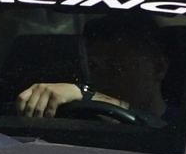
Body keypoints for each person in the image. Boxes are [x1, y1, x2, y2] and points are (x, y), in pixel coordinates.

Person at [17, 12, 172, 122]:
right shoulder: (75, 124)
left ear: (158, 68)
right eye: (94, 68)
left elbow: (162, 132)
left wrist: (86, 95)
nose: (101, 81)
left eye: (115, 67)